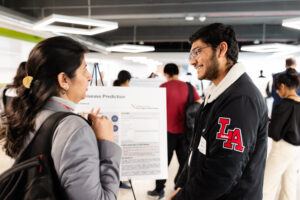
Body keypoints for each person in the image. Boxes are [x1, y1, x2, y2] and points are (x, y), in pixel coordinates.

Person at [0, 36, 121, 200]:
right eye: (84, 69)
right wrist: (106, 143)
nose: (89, 77)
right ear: (64, 80)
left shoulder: (28, 113)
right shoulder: (74, 128)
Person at [169, 23, 268, 200]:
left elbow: (222, 174)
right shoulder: (218, 92)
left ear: (221, 49)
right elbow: (197, 149)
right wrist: (182, 185)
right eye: (191, 54)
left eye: (198, 51)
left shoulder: (241, 100)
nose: (192, 61)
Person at [148, 63, 201, 199]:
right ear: (178, 72)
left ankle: (159, 190)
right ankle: (179, 186)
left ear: (165, 74)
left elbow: (154, 109)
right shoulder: (188, 87)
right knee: (184, 163)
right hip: (185, 132)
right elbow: (199, 104)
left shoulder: (162, 88)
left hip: (166, 133)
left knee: (163, 163)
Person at [263, 68, 300, 200]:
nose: (277, 92)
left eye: (278, 89)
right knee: (289, 185)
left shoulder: (283, 105)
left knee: (267, 184)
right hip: (297, 150)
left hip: (282, 148)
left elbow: (275, 133)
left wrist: (268, 121)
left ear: (283, 86)